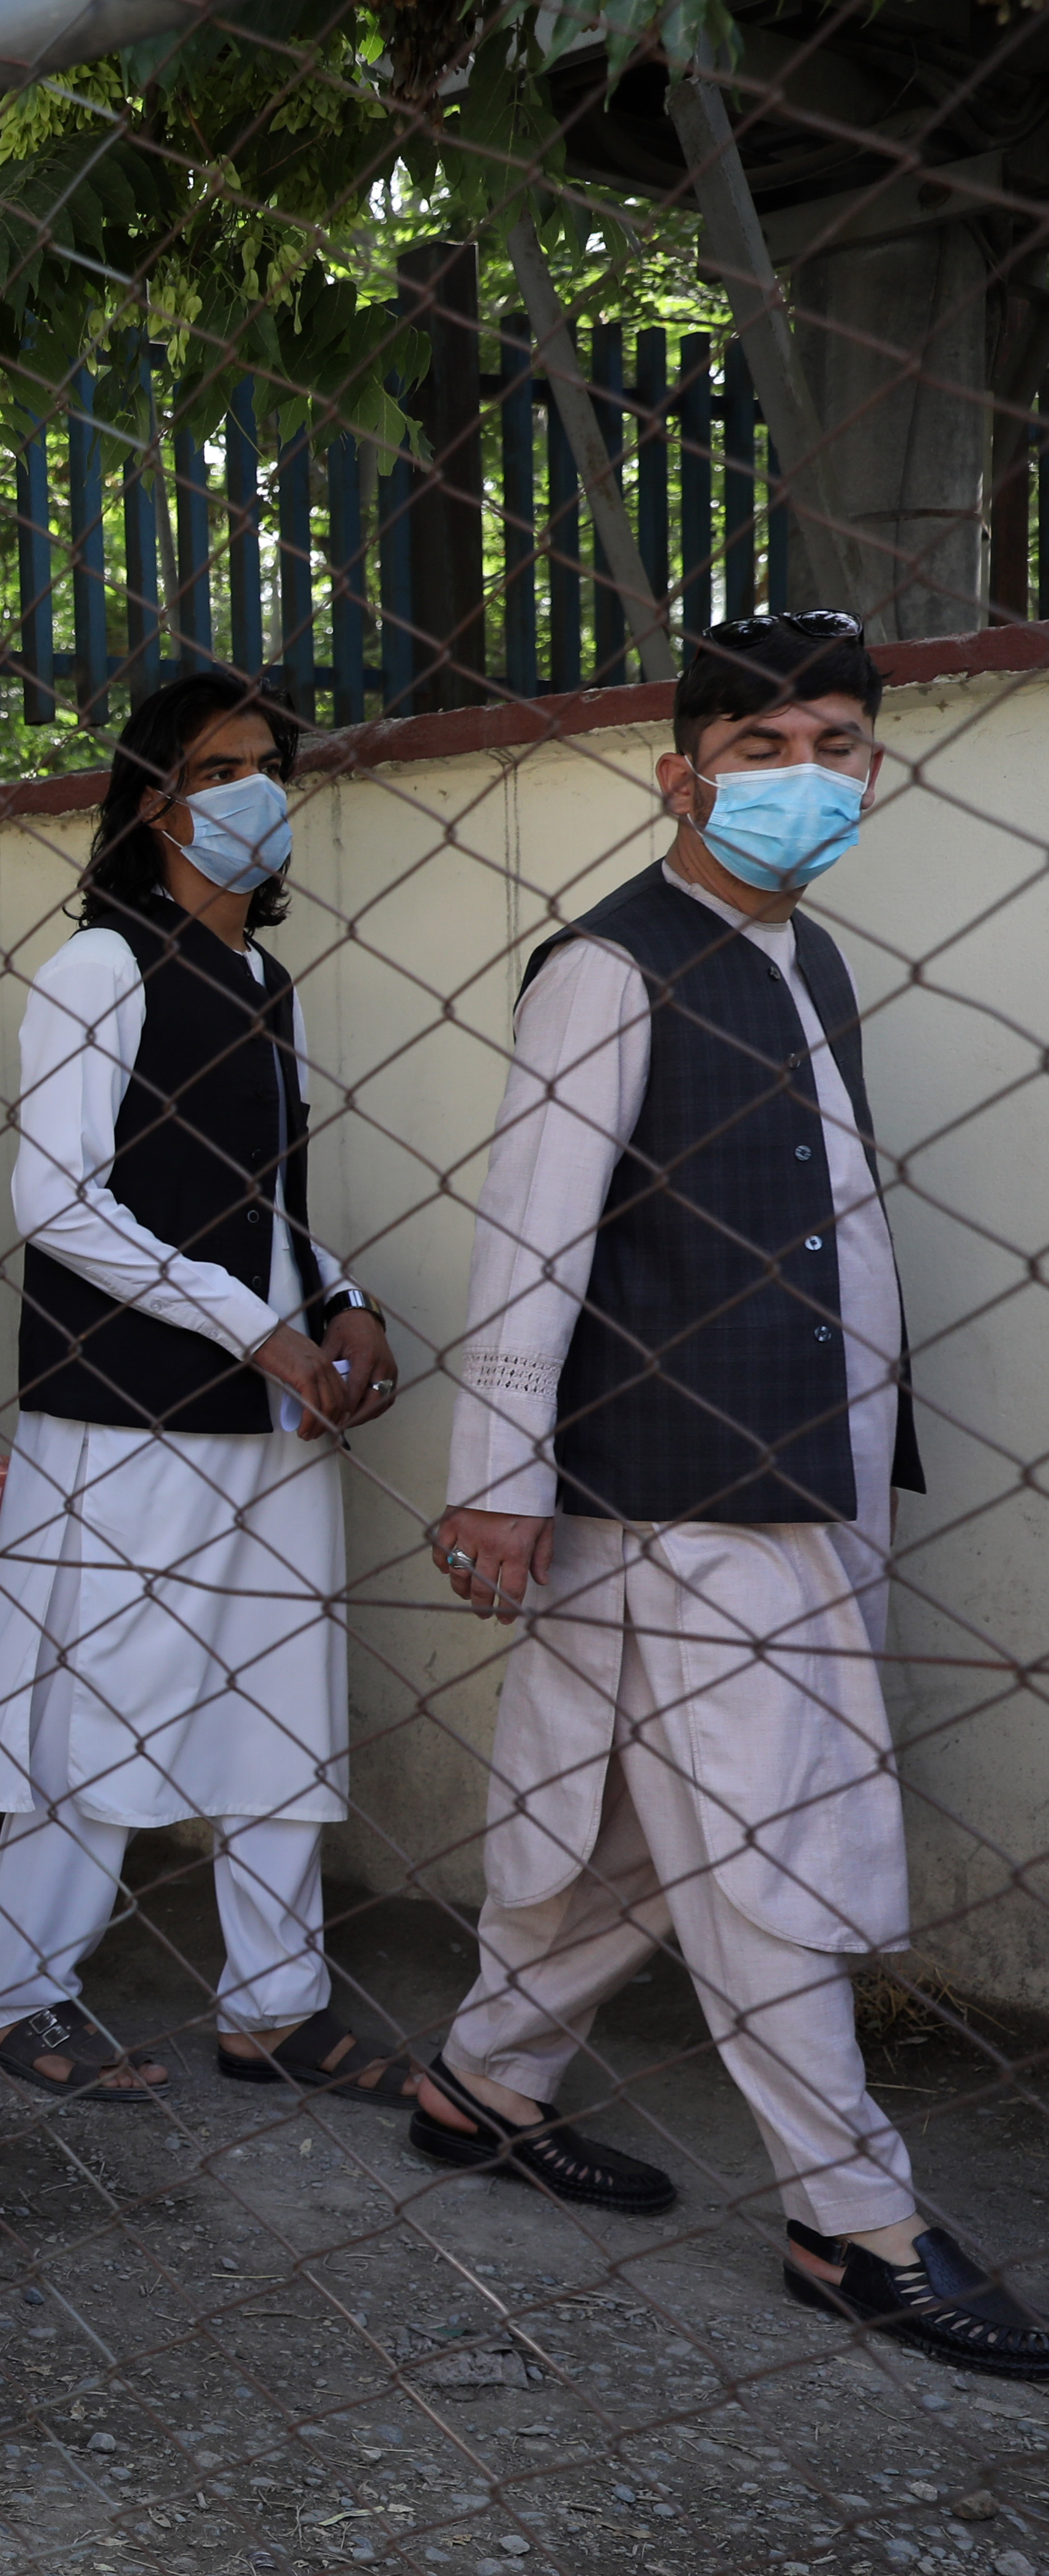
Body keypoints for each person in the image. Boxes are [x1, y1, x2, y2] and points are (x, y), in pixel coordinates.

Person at [405, 612, 1048, 2378]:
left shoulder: (809, 960)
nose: (803, 778)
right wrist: (499, 1484)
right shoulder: (611, 965)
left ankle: (481, 2085)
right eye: (761, 748)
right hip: (677, 1492)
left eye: (836, 743)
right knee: (762, 1834)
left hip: (808, 1472)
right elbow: (531, 1246)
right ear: (679, 768)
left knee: (624, 1818)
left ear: (877, 768)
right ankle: (858, 2222)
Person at [0, 669, 408, 2103]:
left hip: (266, 1405)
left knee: (282, 1699)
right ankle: (23, 1998)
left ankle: (275, 2004)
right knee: (105, 1699)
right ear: (152, 802)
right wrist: (254, 1325)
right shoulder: (100, 966)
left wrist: (341, 1303)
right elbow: (61, 1201)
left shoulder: (265, 984)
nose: (252, 792)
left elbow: (260, 1203)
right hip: (126, 1406)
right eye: (217, 771)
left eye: (269, 766)